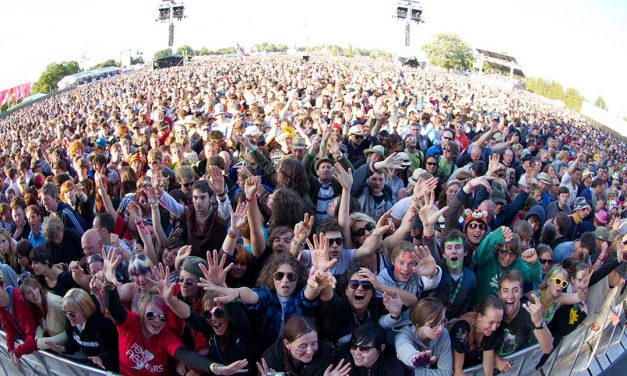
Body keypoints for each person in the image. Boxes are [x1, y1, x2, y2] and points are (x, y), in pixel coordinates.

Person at [99, 262, 249, 375]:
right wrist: (109, 281)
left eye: (162, 317)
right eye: (151, 315)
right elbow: (114, 308)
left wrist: (215, 368)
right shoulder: (130, 323)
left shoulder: (165, 337)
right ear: (142, 313)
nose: (157, 320)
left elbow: (187, 356)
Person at [489, 271, 553, 374]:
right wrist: (496, 360)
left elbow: (548, 348)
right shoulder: (492, 309)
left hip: (515, 370)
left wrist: (538, 321)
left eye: (515, 290)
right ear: (499, 293)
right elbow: (479, 341)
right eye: (506, 291)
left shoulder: (528, 312)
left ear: (521, 293)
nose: (510, 296)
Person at [44, 287, 119, 371]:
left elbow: (113, 351)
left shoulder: (103, 325)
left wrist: (100, 358)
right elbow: (73, 344)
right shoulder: (72, 322)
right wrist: (62, 348)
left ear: (84, 310)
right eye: (65, 312)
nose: (68, 317)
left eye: (72, 314)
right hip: (91, 367)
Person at [257, 316, 352, 376]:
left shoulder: (326, 357)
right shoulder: (271, 360)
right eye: (303, 346)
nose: (310, 351)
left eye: (314, 343)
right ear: (287, 344)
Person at [393, 297, 454, 375]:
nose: (440, 329)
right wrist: (413, 358)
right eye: (433, 325)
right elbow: (403, 346)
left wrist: (414, 373)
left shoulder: (443, 333)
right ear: (419, 325)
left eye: (442, 321)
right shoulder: (403, 334)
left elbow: (446, 372)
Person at [448, 296, 504, 375]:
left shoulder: (491, 328)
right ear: (480, 317)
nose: (494, 327)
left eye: (498, 322)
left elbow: (488, 355)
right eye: (491, 322)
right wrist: (458, 370)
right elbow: (458, 369)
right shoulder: (463, 326)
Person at [18, 276, 68, 351]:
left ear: (39, 287)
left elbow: (71, 331)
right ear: (25, 298)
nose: (34, 294)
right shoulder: (37, 305)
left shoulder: (55, 304)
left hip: (71, 351)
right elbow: (42, 325)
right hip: (58, 349)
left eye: (34, 288)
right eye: (29, 293)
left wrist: (44, 342)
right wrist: (37, 338)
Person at [0, 270, 37, 369]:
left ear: (3, 285)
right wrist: (11, 348)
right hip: (29, 344)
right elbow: (9, 329)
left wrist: (17, 352)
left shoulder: (19, 300)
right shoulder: (2, 305)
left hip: (48, 343)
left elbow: (32, 338)